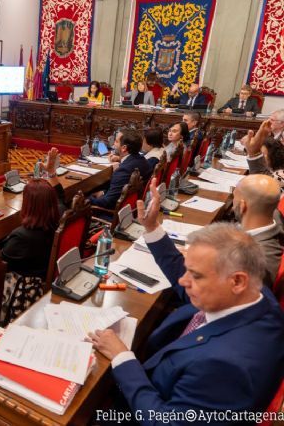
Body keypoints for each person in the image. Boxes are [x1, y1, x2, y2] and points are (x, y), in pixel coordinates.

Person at [88, 179, 284, 421]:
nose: (183, 281)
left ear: (237, 281)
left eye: (196, 275)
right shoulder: (252, 294)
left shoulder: (226, 366)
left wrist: (122, 357)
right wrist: (152, 229)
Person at [1, 148, 65, 281]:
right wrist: (51, 171)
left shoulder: (21, 237)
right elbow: (59, 196)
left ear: (28, 204)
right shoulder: (60, 215)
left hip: (23, 288)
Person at [231, 173, 284, 288]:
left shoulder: (253, 262)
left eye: (233, 198)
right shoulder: (274, 218)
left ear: (242, 206)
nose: (231, 206)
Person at [90, 129, 151, 210]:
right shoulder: (143, 161)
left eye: (116, 141)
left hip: (111, 215)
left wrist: (87, 198)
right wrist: (104, 192)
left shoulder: (123, 170)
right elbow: (119, 190)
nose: (113, 144)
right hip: (132, 209)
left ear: (124, 148)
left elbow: (107, 203)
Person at [244, 119, 284, 188]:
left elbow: (262, 186)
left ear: (274, 157)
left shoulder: (280, 175)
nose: (260, 157)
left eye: (262, 154)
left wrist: (254, 153)